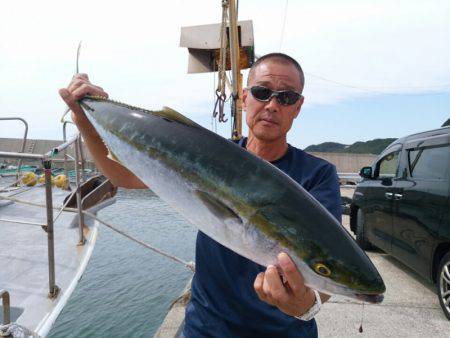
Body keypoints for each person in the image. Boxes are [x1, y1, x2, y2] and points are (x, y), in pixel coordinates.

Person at [59, 52, 341, 338]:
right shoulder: (210, 153)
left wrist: (307, 305)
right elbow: (124, 176)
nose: (272, 105)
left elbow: (329, 264)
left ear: (298, 107)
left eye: (286, 97)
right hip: (205, 329)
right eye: (262, 92)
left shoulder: (318, 174)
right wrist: (83, 117)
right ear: (245, 98)